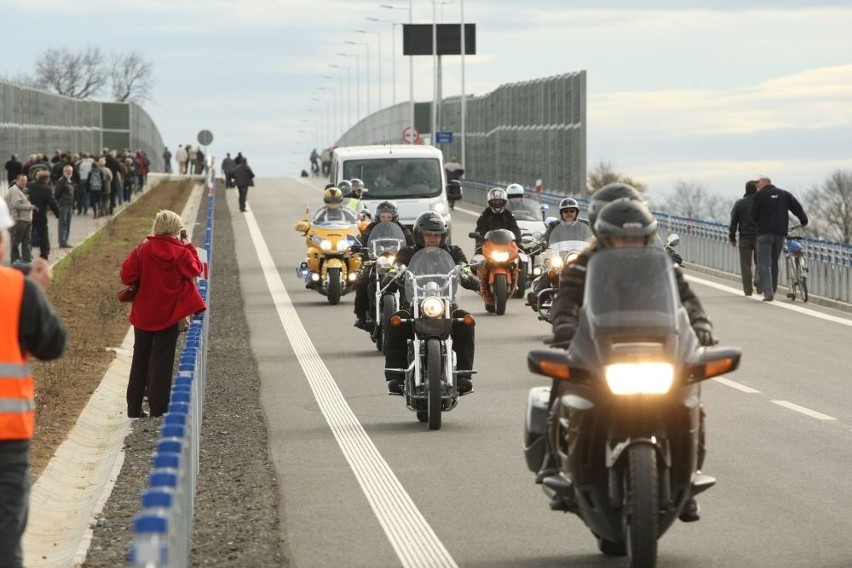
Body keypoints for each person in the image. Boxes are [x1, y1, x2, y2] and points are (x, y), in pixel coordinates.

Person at [544, 197, 715, 521]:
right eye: (623, 237)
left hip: (656, 344)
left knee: (691, 400)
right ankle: (553, 461)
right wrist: (564, 325)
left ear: (647, 236)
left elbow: (687, 296)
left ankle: (687, 479)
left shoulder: (659, 262)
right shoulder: (586, 262)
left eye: (636, 237)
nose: (630, 243)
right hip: (601, 343)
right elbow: (565, 297)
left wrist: (701, 323)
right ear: (607, 236)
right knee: (562, 378)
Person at [0, 197, 68, 568]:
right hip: (5, 441)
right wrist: (39, 291)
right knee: (5, 537)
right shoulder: (17, 289)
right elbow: (53, 345)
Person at [120, 210, 206, 418]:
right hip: (169, 314)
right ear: (177, 230)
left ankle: (133, 408)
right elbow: (196, 269)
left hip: (143, 314)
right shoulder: (182, 253)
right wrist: (189, 245)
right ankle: (158, 409)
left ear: (156, 226)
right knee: (162, 361)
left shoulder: (143, 249)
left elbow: (126, 275)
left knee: (140, 359)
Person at [382, 211, 479, 394]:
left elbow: (464, 268)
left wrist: (468, 276)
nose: (433, 239)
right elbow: (397, 267)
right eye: (428, 235)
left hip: (447, 306)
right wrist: (392, 276)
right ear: (420, 235)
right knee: (395, 322)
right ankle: (396, 376)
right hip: (413, 306)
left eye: (437, 235)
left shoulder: (454, 252)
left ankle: (463, 376)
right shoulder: (407, 253)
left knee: (467, 320)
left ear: (443, 236)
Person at [353, 201, 414, 330]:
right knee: (362, 281)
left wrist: (414, 248)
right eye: (383, 217)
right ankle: (361, 316)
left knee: (407, 282)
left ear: (394, 217)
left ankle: (407, 311)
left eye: (389, 217)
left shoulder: (402, 229)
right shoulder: (371, 227)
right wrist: (357, 245)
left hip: (395, 261)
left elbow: (411, 241)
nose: (385, 219)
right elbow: (363, 238)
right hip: (376, 260)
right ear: (378, 217)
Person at [526, 197, 593, 310]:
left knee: (594, 273)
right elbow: (546, 236)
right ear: (561, 213)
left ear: (576, 212)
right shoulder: (554, 225)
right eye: (566, 211)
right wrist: (542, 243)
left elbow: (594, 236)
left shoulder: (585, 225)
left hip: (580, 259)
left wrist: (600, 242)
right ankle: (537, 298)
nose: (569, 213)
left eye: (572, 211)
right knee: (550, 273)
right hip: (560, 259)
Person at [751, 175, 808, 302]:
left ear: (765, 182)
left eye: (758, 183)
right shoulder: (784, 194)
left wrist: (758, 224)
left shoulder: (759, 196)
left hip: (764, 233)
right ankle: (773, 290)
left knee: (764, 263)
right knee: (774, 262)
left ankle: (768, 292)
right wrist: (804, 220)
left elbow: (753, 215)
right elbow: (797, 207)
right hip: (780, 233)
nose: (757, 186)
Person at [473, 187, 522, 310]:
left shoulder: (508, 214)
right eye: (494, 202)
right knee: (475, 262)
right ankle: (478, 283)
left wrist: (517, 239)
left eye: (499, 201)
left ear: (504, 202)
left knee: (520, 259)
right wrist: (479, 239)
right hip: (489, 245)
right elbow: (480, 228)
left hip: (506, 245)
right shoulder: (485, 214)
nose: (497, 204)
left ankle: (519, 283)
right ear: (490, 202)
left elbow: (515, 228)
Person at [729, 180, 760, 296]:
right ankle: (759, 281)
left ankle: (748, 290)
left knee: (746, 265)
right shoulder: (760, 203)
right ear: (756, 189)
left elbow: (733, 222)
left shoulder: (739, 203)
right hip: (759, 237)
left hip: (744, 238)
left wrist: (732, 237)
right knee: (760, 262)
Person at [27, 169, 60, 260]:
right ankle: (44, 254)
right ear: (47, 179)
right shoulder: (47, 189)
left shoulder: (29, 186)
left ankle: (27, 253)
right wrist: (57, 214)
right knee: (43, 234)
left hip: (28, 213)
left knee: (29, 234)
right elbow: (52, 203)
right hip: (40, 215)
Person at [6, 173, 35, 265]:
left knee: (27, 240)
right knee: (16, 240)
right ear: (17, 180)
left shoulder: (22, 190)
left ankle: (27, 259)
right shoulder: (15, 190)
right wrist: (29, 207)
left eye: (25, 180)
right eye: (22, 180)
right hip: (19, 219)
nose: (24, 182)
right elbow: (16, 204)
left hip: (26, 219)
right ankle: (15, 259)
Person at [54, 165, 75, 248]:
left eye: (70, 171)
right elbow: (56, 193)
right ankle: (62, 241)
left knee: (67, 223)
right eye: (67, 171)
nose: (69, 172)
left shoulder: (70, 181)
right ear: (64, 172)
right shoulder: (61, 181)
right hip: (63, 205)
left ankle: (65, 240)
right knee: (63, 223)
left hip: (69, 205)